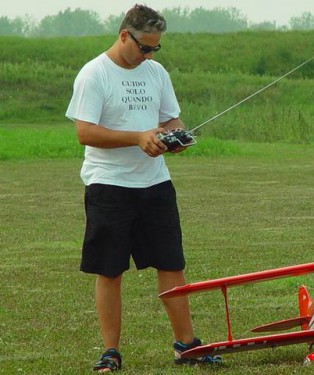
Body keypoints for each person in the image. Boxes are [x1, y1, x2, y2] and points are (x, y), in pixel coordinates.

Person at [65, 4, 220, 372]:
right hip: (109, 186)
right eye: (144, 48)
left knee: (171, 262)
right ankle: (110, 351)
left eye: (155, 49)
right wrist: (137, 138)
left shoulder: (156, 72)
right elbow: (84, 132)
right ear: (124, 36)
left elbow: (170, 117)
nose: (149, 55)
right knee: (110, 268)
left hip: (155, 183)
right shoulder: (94, 73)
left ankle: (187, 345)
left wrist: (176, 136)